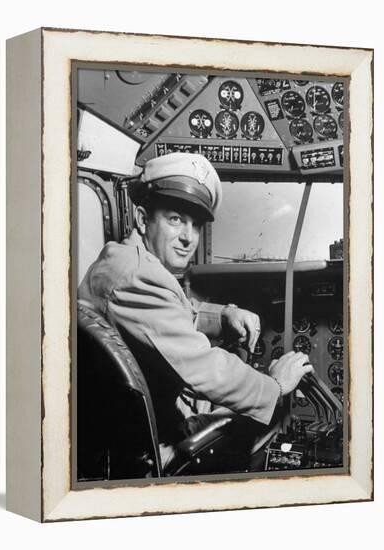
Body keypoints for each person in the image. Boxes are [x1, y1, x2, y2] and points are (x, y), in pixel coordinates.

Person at [78, 152, 313, 466]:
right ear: (141, 218)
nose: (188, 237)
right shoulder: (138, 275)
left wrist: (222, 315)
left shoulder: (125, 260)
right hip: (148, 450)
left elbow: (169, 314)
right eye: (175, 219)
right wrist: (275, 385)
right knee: (275, 422)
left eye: (196, 225)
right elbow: (207, 369)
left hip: (131, 429)